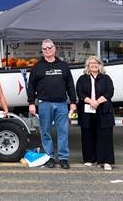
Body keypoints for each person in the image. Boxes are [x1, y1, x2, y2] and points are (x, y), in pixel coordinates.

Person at [27, 38, 78, 169]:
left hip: (61, 104)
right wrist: (31, 103)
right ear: (42, 51)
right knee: (45, 132)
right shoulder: (37, 67)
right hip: (44, 104)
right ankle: (49, 157)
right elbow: (31, 86)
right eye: (45, 48)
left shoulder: (63, 66)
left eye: (50, 47)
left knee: (63, 131)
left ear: (55, 49)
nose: (47, 50)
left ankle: (63, 158)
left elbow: (70, 85)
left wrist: (73, 102)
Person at [76, 55, 115, 171]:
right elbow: (80, 93)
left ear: (100, 65)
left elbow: (110, 92)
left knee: (105, 136)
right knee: (88, 134)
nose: (94, 65)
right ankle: (89, 159)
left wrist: (97, 102)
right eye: (91, 63)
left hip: (103, 110)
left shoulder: (106, 78)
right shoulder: (82, 79)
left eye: (96, 63)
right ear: (88, 66)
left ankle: (106, 161)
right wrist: (90, 101)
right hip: (87, 110)